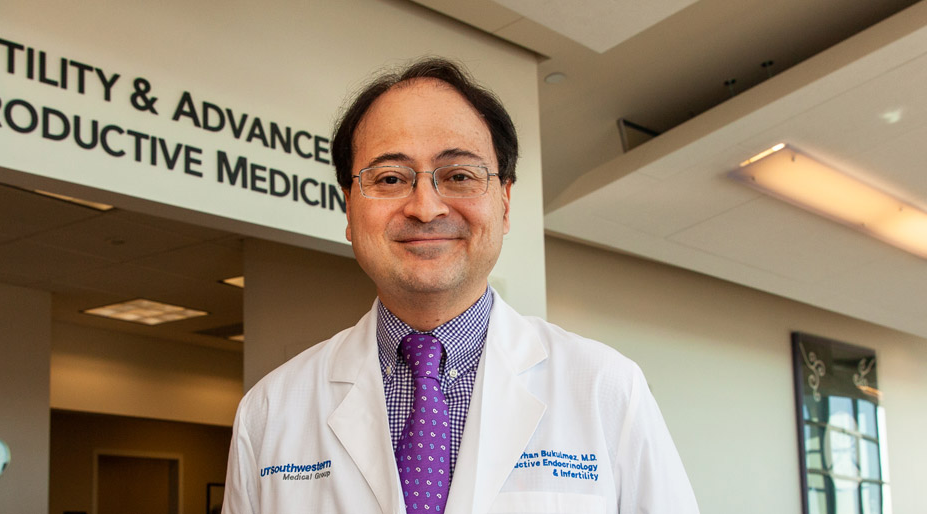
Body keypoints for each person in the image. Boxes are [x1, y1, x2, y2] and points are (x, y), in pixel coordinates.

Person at [223, 57, 698, 514]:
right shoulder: (269, 411)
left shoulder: (607, 389)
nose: (426, 208)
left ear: (505, 204)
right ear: (349, 208)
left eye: (459, 176)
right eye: (390, 178)